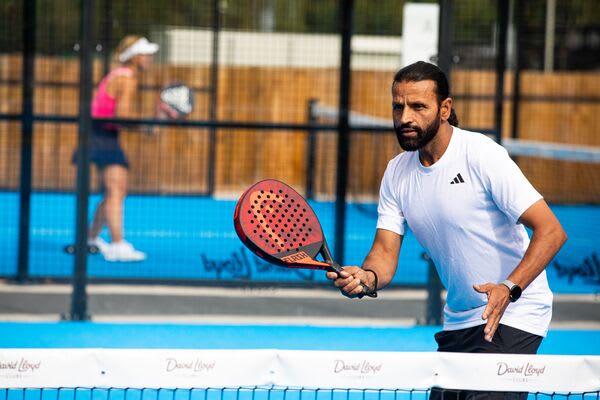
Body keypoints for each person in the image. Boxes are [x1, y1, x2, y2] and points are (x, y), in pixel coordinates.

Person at [327, 61, 567, 398]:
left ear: (445, 109)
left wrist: (509, 287)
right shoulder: (397, 173)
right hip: (458, 320)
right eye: (398, 107)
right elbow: (383, 254)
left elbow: (552, 231)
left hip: (514, 313)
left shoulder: (481, 155)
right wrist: (365, 278)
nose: (405, 117)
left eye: (418, 106)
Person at [75, 36, 159, 262]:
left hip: (100, 135)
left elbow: (115, 117)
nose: (149, 59)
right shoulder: (128, 78)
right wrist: (146, 124)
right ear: (134, 57)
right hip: (101, 137)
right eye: (146, 54)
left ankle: (90, 239)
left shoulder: (119, 75)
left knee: (114, 191)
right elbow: (121, 116)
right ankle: (118, 245)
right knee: (116, 191)